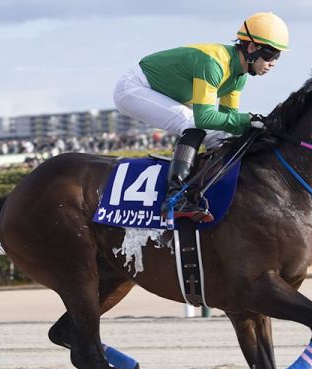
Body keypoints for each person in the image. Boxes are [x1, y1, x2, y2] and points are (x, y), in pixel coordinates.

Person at [113, 12, 289, 223]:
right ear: (252, 48)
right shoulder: (214, 63)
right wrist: (247, 120)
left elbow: (227, 122)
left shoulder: (239, 77)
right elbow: (204, 118)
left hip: (163, 93)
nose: (273, 62)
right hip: (134, 87)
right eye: (270, 55)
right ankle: (176, 196)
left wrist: (254, 126)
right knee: (193, 124)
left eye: (277, 57)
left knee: (220, 136)